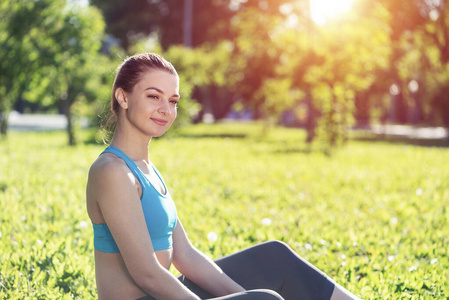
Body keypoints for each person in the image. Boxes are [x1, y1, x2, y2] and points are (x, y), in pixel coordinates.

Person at [86, 52, 361, 300]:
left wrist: (244, 295)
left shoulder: (145, 167)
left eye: (172, 101)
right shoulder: (112, 171)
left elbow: (186, 256)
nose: (166, 110)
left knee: (275, 258)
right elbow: (147, 274)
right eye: (153, 96)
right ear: (123, 97)